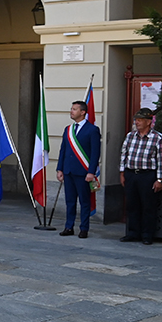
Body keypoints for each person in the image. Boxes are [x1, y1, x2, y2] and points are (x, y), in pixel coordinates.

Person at [118, 107, 162, 245]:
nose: (137, 122)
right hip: (131, 173)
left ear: (149, 122)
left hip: (147, 175)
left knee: (148, 206)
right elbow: (124, 154)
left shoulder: (158, 138)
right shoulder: (130, 136)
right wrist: (122, 172)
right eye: (136, 120)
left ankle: (147, 234)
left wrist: (160, 179)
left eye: (140, 120)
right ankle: (132, 232)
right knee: (131, 205)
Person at [55, 100, 102, 238]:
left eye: (74, 109)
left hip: (83, 172)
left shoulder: (92, 130)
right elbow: (63, 150)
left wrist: (91, 172)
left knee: (84, 201)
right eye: (71, 108)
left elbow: (95, 153)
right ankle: (69, 226)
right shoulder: (68, 130)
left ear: (83, 112)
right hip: (68, 171)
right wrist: (59, 169)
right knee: (70, 201)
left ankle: (84, 228)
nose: (71, 111)